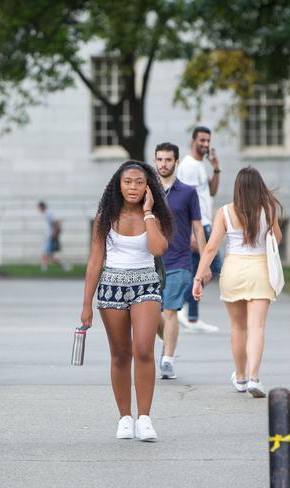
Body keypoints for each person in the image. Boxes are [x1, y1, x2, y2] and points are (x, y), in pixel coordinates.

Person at [80, 160, 172, 441]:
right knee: (120, 354)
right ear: (118, 186)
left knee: (144, 349)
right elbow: (95, 262)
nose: (133, 187)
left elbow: (158, 248)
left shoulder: (156, 217)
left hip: (146, 284)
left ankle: (144, 418)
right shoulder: (105, 218)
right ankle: (125, 418)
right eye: (128, 182)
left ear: (148, 187)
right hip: (111, 287)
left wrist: (146, 212)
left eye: (139, 182)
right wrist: (86, 306)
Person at [192, 167, 282, 398]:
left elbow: (211, 248)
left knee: (237, 327)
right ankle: (254, 377)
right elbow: (277, 239)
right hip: (260, 270)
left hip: (233, 271)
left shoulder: (224, 212)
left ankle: (240, 376)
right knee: (257, 327)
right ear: (259, 187)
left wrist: (199, 277)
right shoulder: (268, 210)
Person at [153, 142, 212, 380]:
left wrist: (204, 264)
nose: (163, 164)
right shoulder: (148, 191)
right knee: (152, 313)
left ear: (176, 162)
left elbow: (198, 229)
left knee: (170, 311)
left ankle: (167, 359)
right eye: (159, 159)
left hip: (179, 262)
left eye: (168, 160)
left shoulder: (188, 192)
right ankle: (167, 343)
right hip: (150, 263)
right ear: (155, 161)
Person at [176, 126, 223, 331]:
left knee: (197, 271)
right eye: (201, 140)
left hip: (205, 223)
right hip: (196, 226)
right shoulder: (188, 166)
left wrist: (216, 168)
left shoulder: (201, 165)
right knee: (213, 267)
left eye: (207, 141)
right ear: (192, 141)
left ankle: (192, 317)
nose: (205, 144)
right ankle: (175, 307)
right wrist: (190, 233)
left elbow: (211, 192)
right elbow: (183, 199)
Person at [38, 201, 71, 272]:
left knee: (46, 254)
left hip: (50, 238)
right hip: (49, 237)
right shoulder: (47, 213)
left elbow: (56, 222)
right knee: (50, 256)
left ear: (42, 207)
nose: (39, 210)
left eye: (39, 208)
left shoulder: (48, 213)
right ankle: (63, 265)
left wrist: (53, 234)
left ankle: (44, 269)